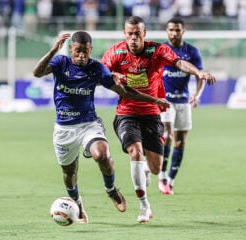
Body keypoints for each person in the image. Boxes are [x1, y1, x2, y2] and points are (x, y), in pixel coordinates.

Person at [32, 31, 170, 224]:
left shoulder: (96, 68)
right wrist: (54, 49)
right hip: (64, 129)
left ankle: (111, 189)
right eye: (78, 51)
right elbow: (37, 72)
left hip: (89, 124)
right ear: (71, 48)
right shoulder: (60, 63)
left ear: (90, 50)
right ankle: (78, 205)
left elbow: (124, 91)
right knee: (69, 173)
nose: (81, 55)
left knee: (101, 154)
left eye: (86, 51)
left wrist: (153, 99)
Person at [101, 16, 216, 223]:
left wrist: (199, 72)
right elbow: (102, 71)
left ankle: (146, 167)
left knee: (155, 168)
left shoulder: (157, 50)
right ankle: (144, 206)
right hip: (126, 113)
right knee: (135, 152)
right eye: (130, 34)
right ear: (124, 34)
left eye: (137, 34)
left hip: (153, 114)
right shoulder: (116, 52)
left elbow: (179, 62)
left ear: (144, 33)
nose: (134, 38)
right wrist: (111, 76)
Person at [157, 17, 206, 195]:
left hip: (183, 101)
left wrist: (197, 95)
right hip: (165, 100)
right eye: (171, 30)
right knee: (167, 134)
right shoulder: (161, 50)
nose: (174, 33)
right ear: (167, 31)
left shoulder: (192, 51)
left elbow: (199, 75)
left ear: (183, 31)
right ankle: (161, 175)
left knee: (181, 141)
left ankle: (171, 179)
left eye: (177, 30)